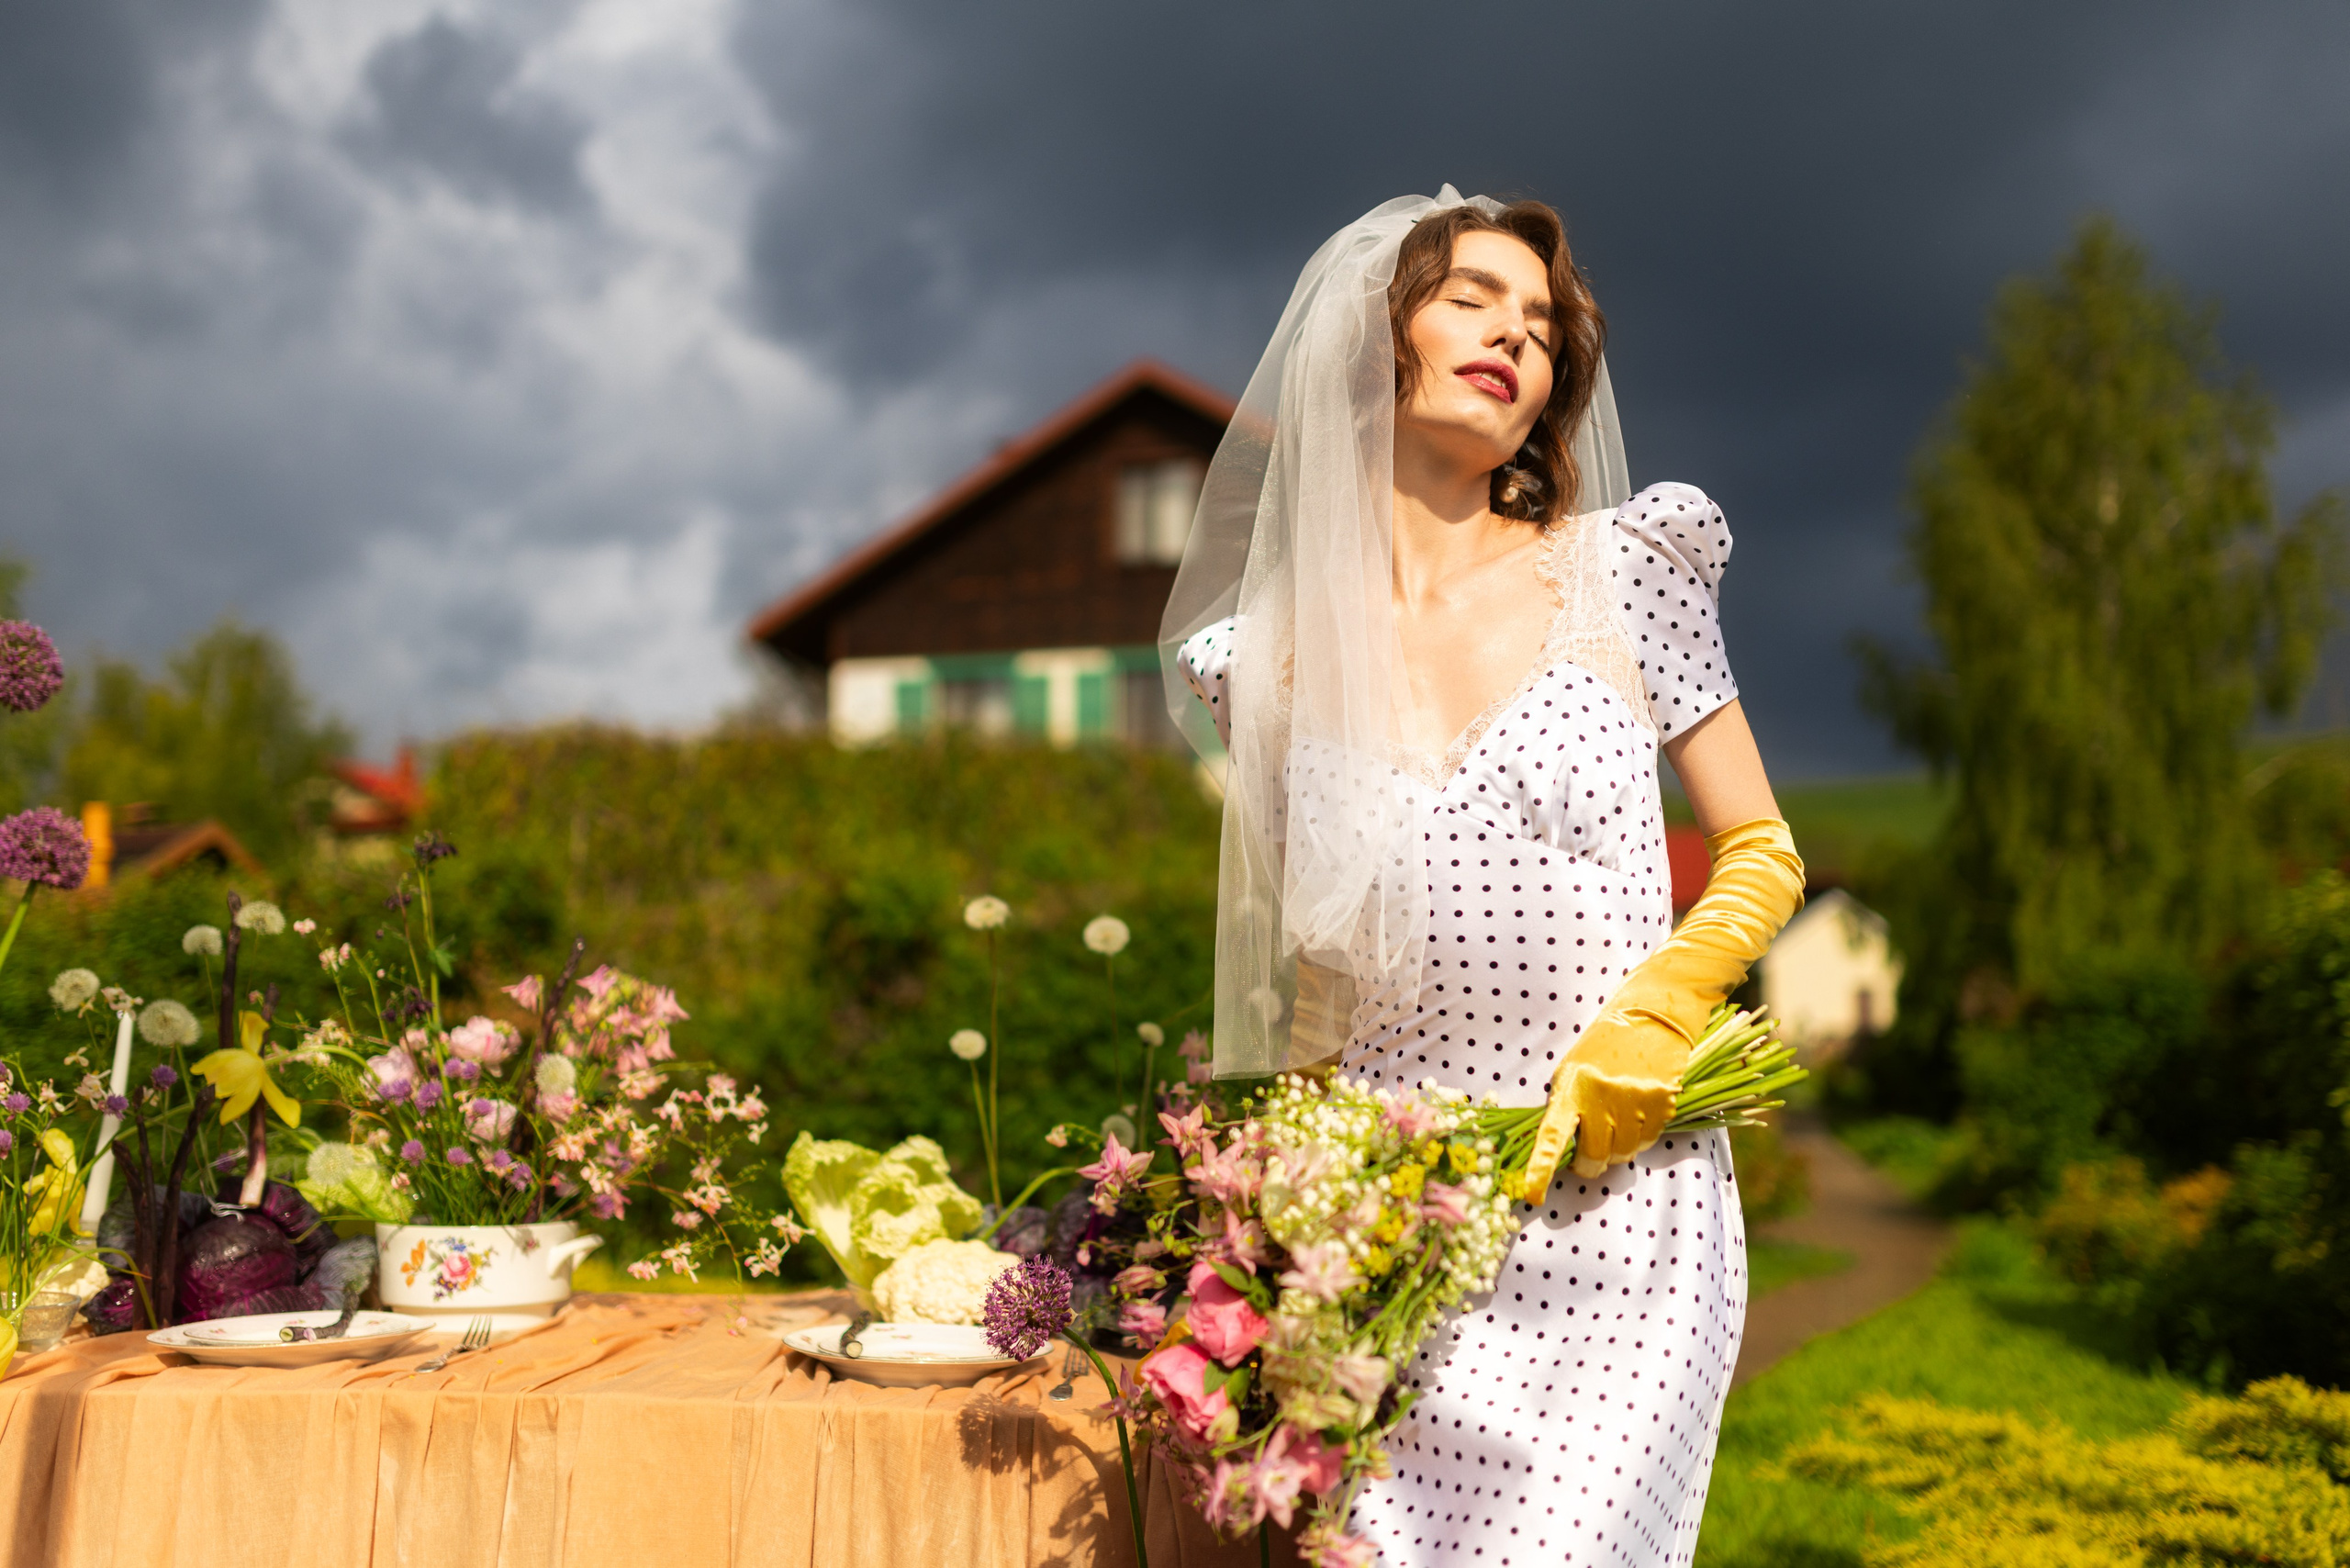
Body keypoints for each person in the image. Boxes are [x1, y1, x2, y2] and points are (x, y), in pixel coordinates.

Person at [1159, 188, 1805, 1565]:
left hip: (1625, 1207)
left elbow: (1762, 849)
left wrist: (1659, 1014)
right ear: (1373, 337)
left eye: (1545, 328)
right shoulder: (1257, 664)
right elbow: (1322, 975)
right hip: (1409, 1218)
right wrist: (1270, 1213)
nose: (1520, 336)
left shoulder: (1629, 571)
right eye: (1474, 300)